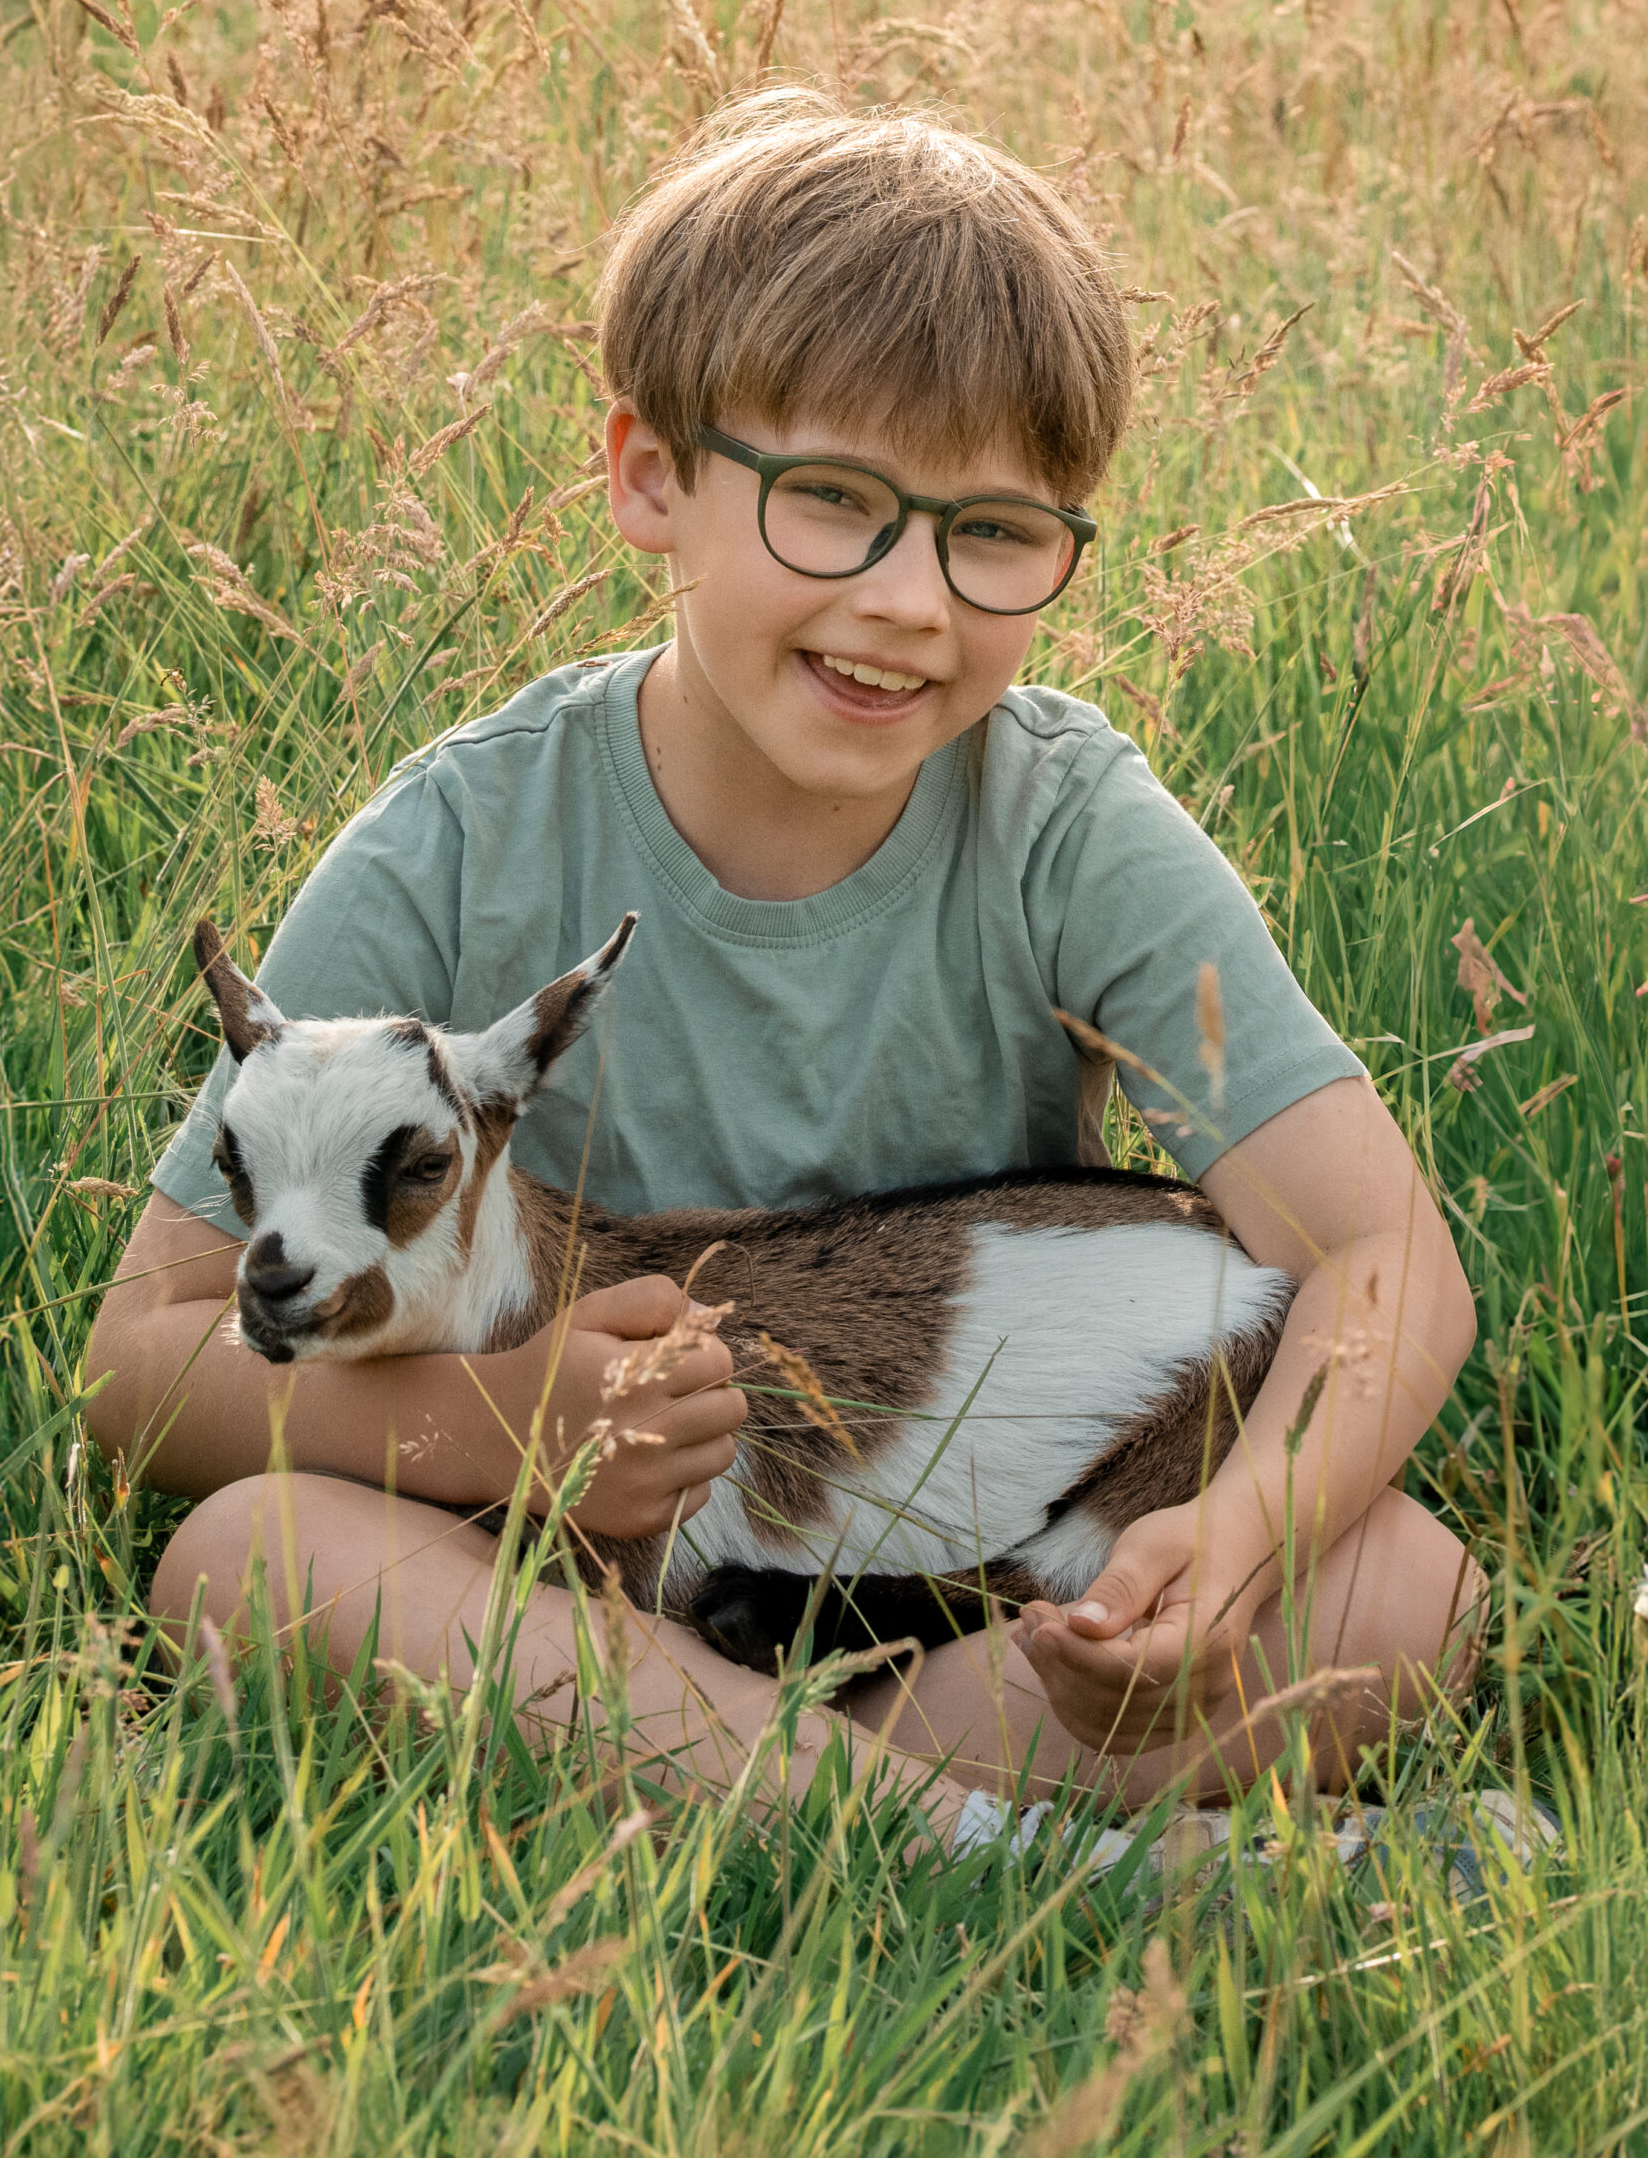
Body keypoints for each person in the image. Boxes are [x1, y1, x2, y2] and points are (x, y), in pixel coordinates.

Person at [87, 91, 1484, 1845]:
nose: (911, 600)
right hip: (531, 1584)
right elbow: (136, 1362)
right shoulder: (455, 843)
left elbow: (1379, 1258)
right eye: (833, 503)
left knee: (1400, 1588)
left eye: (997, 532)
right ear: (648, 478)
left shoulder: (1064, 826)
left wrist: (1233, 1537)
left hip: (940, 1602)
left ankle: (741, 1793)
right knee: (251, 1558)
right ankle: (1021, 1854)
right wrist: (501, 1423)